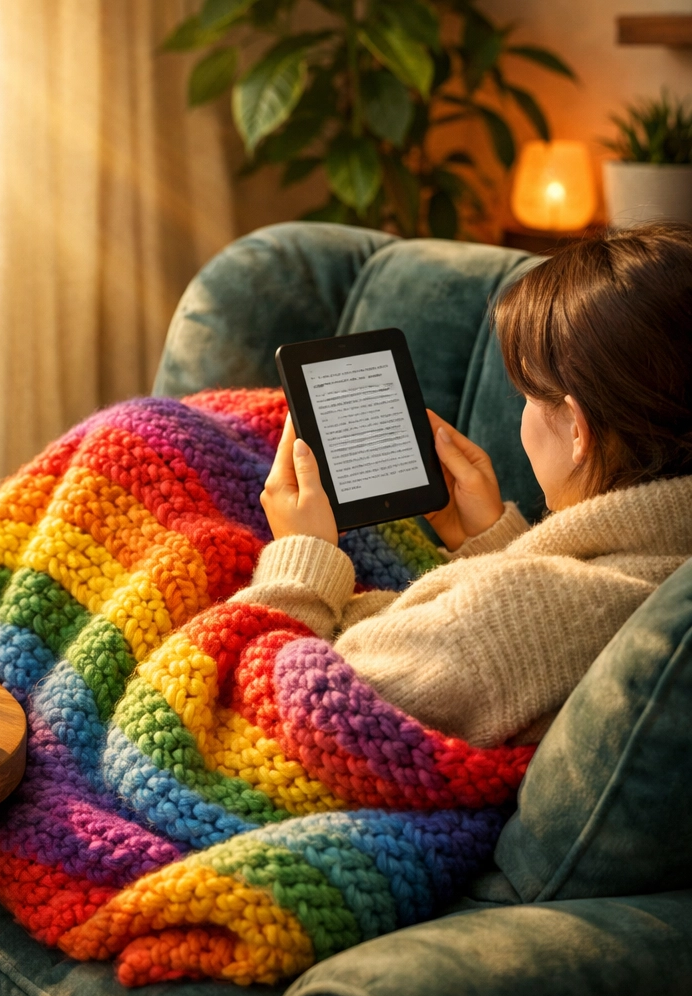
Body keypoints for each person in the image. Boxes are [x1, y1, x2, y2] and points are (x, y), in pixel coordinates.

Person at [238, 223, 692, 747]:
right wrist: (495, 542)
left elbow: (276, 719)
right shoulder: (656, 574)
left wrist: (302, 559)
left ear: (575, 429)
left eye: (524, 395)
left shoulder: (507, 619)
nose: (521, 414)